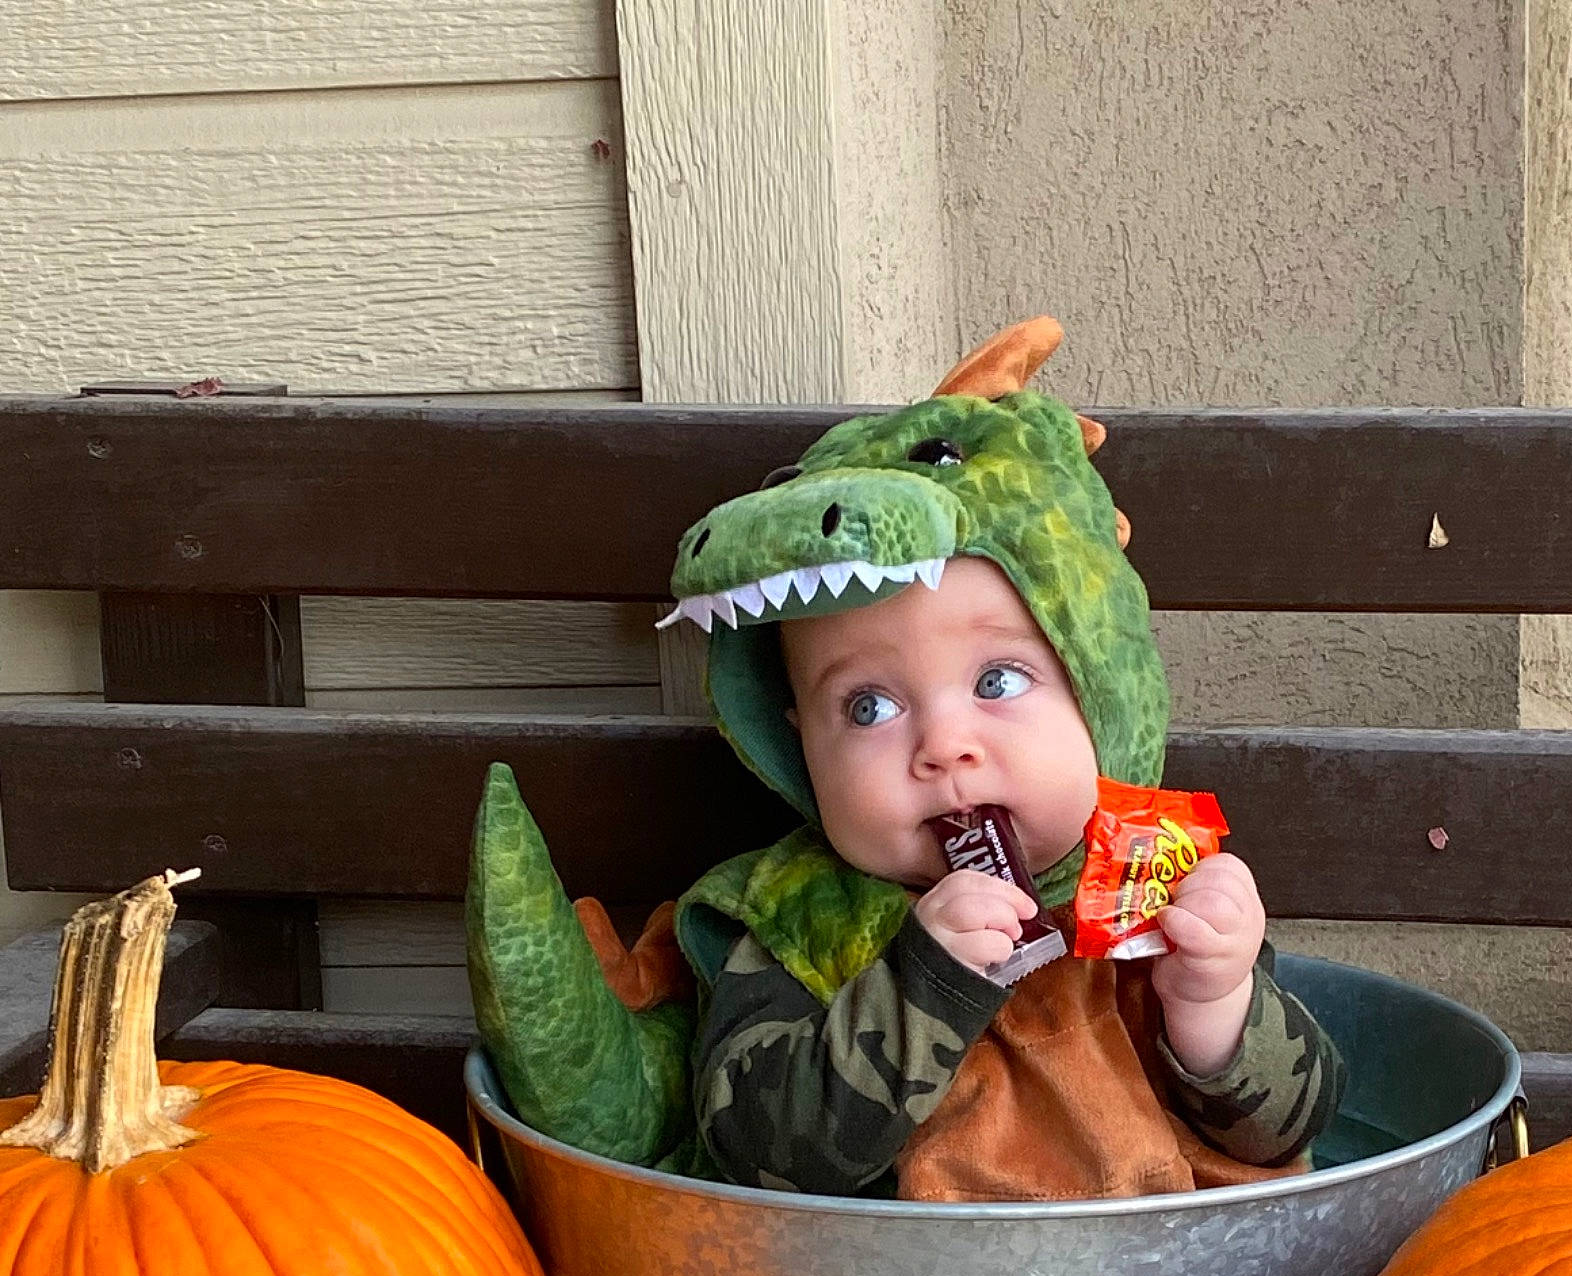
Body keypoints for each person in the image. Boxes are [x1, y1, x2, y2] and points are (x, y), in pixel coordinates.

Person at [467, 317, 1343, 1200]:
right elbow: (758, 1150)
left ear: (1098, 690)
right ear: (797, 747)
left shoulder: (1152, 883)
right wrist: (921, 986)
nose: (943, 747)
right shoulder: (791, 924)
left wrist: (1216, 1006)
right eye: (870, 706)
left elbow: (1289, 1132)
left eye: (999, 679)